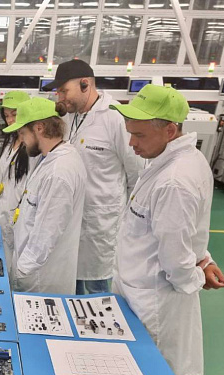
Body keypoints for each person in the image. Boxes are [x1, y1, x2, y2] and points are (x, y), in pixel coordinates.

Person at [110, 84, 224, 375]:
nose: (131, 143)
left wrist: (196, 275)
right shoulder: (169, 161)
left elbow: (176, 262)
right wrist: (204, 259)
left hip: (152, 305)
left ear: (170, 131)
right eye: (130, 133)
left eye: (139, 135)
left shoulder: (174, 180)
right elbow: (187, 229)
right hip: (136, 293)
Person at [43, 59, 144, 295]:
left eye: (64, 91)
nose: (60, 98)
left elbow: (137, 173)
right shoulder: (70, 118)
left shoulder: (114, 118)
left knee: (98, 292)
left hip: (100, 224)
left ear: (85, 84)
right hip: (71, 220)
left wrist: (131, 224)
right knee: (71, 285)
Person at [8, 97, 87, 294]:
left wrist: (19, 273)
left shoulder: (58, 172)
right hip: (34, 273)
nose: (22, 141)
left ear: (39, 128)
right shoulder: (49, 158)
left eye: (23, 133)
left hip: (41, 281)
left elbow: (45, 236)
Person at [0, 90, 36, 279]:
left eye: (14, 114)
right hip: (4, 212)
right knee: (5, 262)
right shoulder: (11, 139)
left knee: (19, 267)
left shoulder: (33, 146)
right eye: (7, 115)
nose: (10, 120)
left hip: (21, 217)